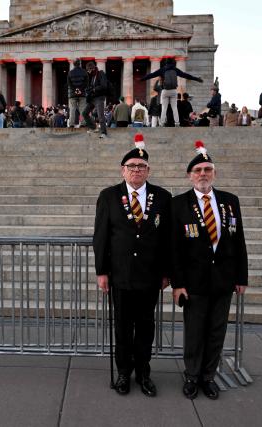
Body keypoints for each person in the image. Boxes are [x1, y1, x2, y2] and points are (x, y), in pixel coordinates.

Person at [93, 133, 172, 397]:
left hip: (150, 276)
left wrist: (166, 272)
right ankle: (124, 372)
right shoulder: (109, 196)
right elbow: (101, 236)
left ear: (148, 170)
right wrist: (101, 272)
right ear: (122, 170)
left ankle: (144, 373)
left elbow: (167, 238)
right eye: (131, 166)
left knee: (146, 327)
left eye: (141, 166)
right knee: (123, 327)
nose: (136, 170)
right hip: (121, 275)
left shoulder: (162, 197)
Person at [171, 141, 248, 401]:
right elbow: (175, 248)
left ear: (214, 173)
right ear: (190, 175)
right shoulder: (179, 204)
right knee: (194, 332)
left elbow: (239, 242)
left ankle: (208, 377)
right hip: (194, 282)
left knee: (217, 331)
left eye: (207, 169)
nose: (203, 174)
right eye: (198, 170)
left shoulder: (230, 201)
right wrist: (178, 283)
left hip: (223, 279)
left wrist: (241, 277)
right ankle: (192, 376)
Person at [140, 58, 203, 126]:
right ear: (172, 63)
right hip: (173, 91)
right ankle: (177, 123)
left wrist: (142, 79)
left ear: (166, 63)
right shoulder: (175, 69)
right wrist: (196, 78)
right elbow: (186, 75)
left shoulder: (163, 69)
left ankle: (162, 122)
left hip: (165, 90)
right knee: (174, 108)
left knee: (164, 108)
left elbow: (152, 75)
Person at [83, 61, 109, 138]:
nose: (88, 72)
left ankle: (104, 133)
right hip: (93, 98)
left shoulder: (101, 73)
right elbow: (92, 87)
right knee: (85, 113)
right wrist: (89, 89)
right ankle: (94, 127)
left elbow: (104, 86)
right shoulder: (93, 77)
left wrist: (94, 89)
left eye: (89, 70)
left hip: (99, 98)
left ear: (92, 68)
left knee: (100, 115)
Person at [67, 58, 89, 128]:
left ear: (73, 64)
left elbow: (69, 83)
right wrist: (80, 89)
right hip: (82, 93)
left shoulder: (70, 72)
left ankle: (71, 124)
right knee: (82, 108)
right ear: (80, 64)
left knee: (72, 109)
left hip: (72, 94)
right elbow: (86, 83)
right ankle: (82, 123)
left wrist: (75, 89)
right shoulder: (84, 72)